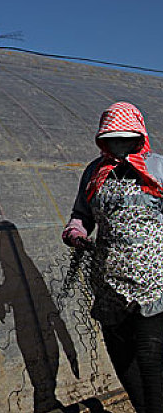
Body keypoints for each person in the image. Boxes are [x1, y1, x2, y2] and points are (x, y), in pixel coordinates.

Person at [62, 102, 163, 413]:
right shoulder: (95, 173)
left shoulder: (158, 168)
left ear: (139, 137)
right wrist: (75, 231)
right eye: (113, 139)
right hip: (109, 285)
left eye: (126, 139)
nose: (120, 146)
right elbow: (81, 214)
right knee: (123, 361)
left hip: (153, 284)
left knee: (151, 363)